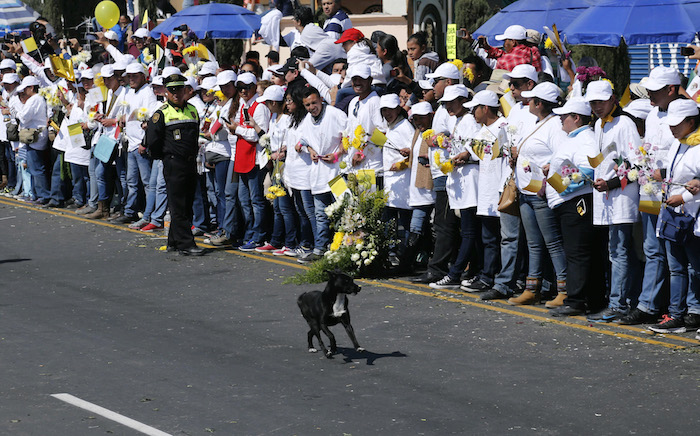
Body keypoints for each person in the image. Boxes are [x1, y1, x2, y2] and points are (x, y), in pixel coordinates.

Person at [619, 66, 681, 325]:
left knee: (675, 254)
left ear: (671, 89)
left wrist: (664, 171)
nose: (649, 96)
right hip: (651, 191)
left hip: (676, 191)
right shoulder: (654, 113)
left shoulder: (687, 115)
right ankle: (648, 305)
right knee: (651, 248)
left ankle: (677, 307)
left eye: (654, 91)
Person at [586, 80, 643, 323]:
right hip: (607, 198)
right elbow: (605, 160)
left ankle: (619, 303)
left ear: (612, 100)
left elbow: (636, 163)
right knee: (616, 251)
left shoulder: (625, 123)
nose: (597, 106)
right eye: (593, 103)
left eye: (600, 101)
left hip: (621, 197)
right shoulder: (600, 124)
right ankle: (623, 300)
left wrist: (610, 184)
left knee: (620, 252)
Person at [508, 82, 567, 306]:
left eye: (531, 99)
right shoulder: (536, 122)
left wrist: (547, 176)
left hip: (541, 191)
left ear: (539, 103)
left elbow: (561, 156)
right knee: (534, 243)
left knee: (552, 242)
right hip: (526, 190)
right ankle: (532, 287)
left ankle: (564, 288)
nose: (527, 102)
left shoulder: (554, 126)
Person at [547, 98, 606, 316]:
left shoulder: (585, 139)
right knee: (580, 252)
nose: (561, 118)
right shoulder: (576, 138)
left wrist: (558, 185)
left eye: (565, 115)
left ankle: (577, 300)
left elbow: (589, 169)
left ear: (576, 118)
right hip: (570, 203)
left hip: (576, 203)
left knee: (578, 253)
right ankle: (588, 298)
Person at [647, 98, 700, 334]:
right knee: (676, 267)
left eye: (677, 124)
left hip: (693, 216)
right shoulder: (679, 143)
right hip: (673, 215)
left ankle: (694, 311)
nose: (672, 128)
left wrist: (684, 198)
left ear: (691, 122)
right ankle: (676, 314)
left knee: (694, 267)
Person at [411, 62, 460, 284]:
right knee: (442, 222)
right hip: (439, 172)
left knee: (444, 223)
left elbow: (455, 138)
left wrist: (438, 139)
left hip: (448, 174)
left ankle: (439, 268)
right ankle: (446, 266)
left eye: (436, 81)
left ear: (448, 83)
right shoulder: (441, 108)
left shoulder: (451, 109)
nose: (432, 86)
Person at [145, 73, 204, 256]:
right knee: (178, 205)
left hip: (190, 163)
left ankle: (174, 241)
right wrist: (164, 157)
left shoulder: (193, 110)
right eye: (172, 90)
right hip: (173, 163)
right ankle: (186, 244)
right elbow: (152, 141)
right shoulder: (161, 113)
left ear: (185, 90)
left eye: (179, 89)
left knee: (186, 204)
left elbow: (194, 137)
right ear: (166, 92)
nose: (176, 94)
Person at [461, 90, 507, 292]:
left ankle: (494, 277)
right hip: (485, 191)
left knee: (501, 238)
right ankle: (486, 274)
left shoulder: (503, 127)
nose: (472, 113)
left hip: (499, 190)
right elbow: (471, 153)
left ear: (485, 108)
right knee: (488, 238)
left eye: (474, 109)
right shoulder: (481, 132)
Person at [296, 86, 347, 263]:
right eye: (308, 105)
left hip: (337, 173)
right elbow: (302, 140)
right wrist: (309, 150)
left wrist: (337, 153)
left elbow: (349, 138)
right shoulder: (307, 120)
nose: (311, 107)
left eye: (314, 103)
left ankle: (343, 249)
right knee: (320, 214)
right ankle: (320, 249)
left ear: (321, 100)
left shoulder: (335, 114)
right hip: (318, 173)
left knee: (342, 212)